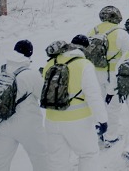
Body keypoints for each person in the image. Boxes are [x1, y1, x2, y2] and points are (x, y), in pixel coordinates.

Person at [42, 40, 108, 171]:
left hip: (51, 120)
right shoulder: (83, 65)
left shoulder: (50, 64)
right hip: (78, 121)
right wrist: (102, 119)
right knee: (88, 155)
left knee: (57, 160)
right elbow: (93, 95)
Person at [0, 40, 49, 171]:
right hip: (28, 124)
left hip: (1, 123)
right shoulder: (30, 74)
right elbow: (44, 96)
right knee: (41, 158)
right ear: (29, 54)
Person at [87, 5, 129, 146]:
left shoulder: (93, 30)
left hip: (96, 73)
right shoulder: (120, 32)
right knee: (113, 105)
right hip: (113, 74)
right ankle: (111, 136)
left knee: (100, 104)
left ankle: (100, 130)